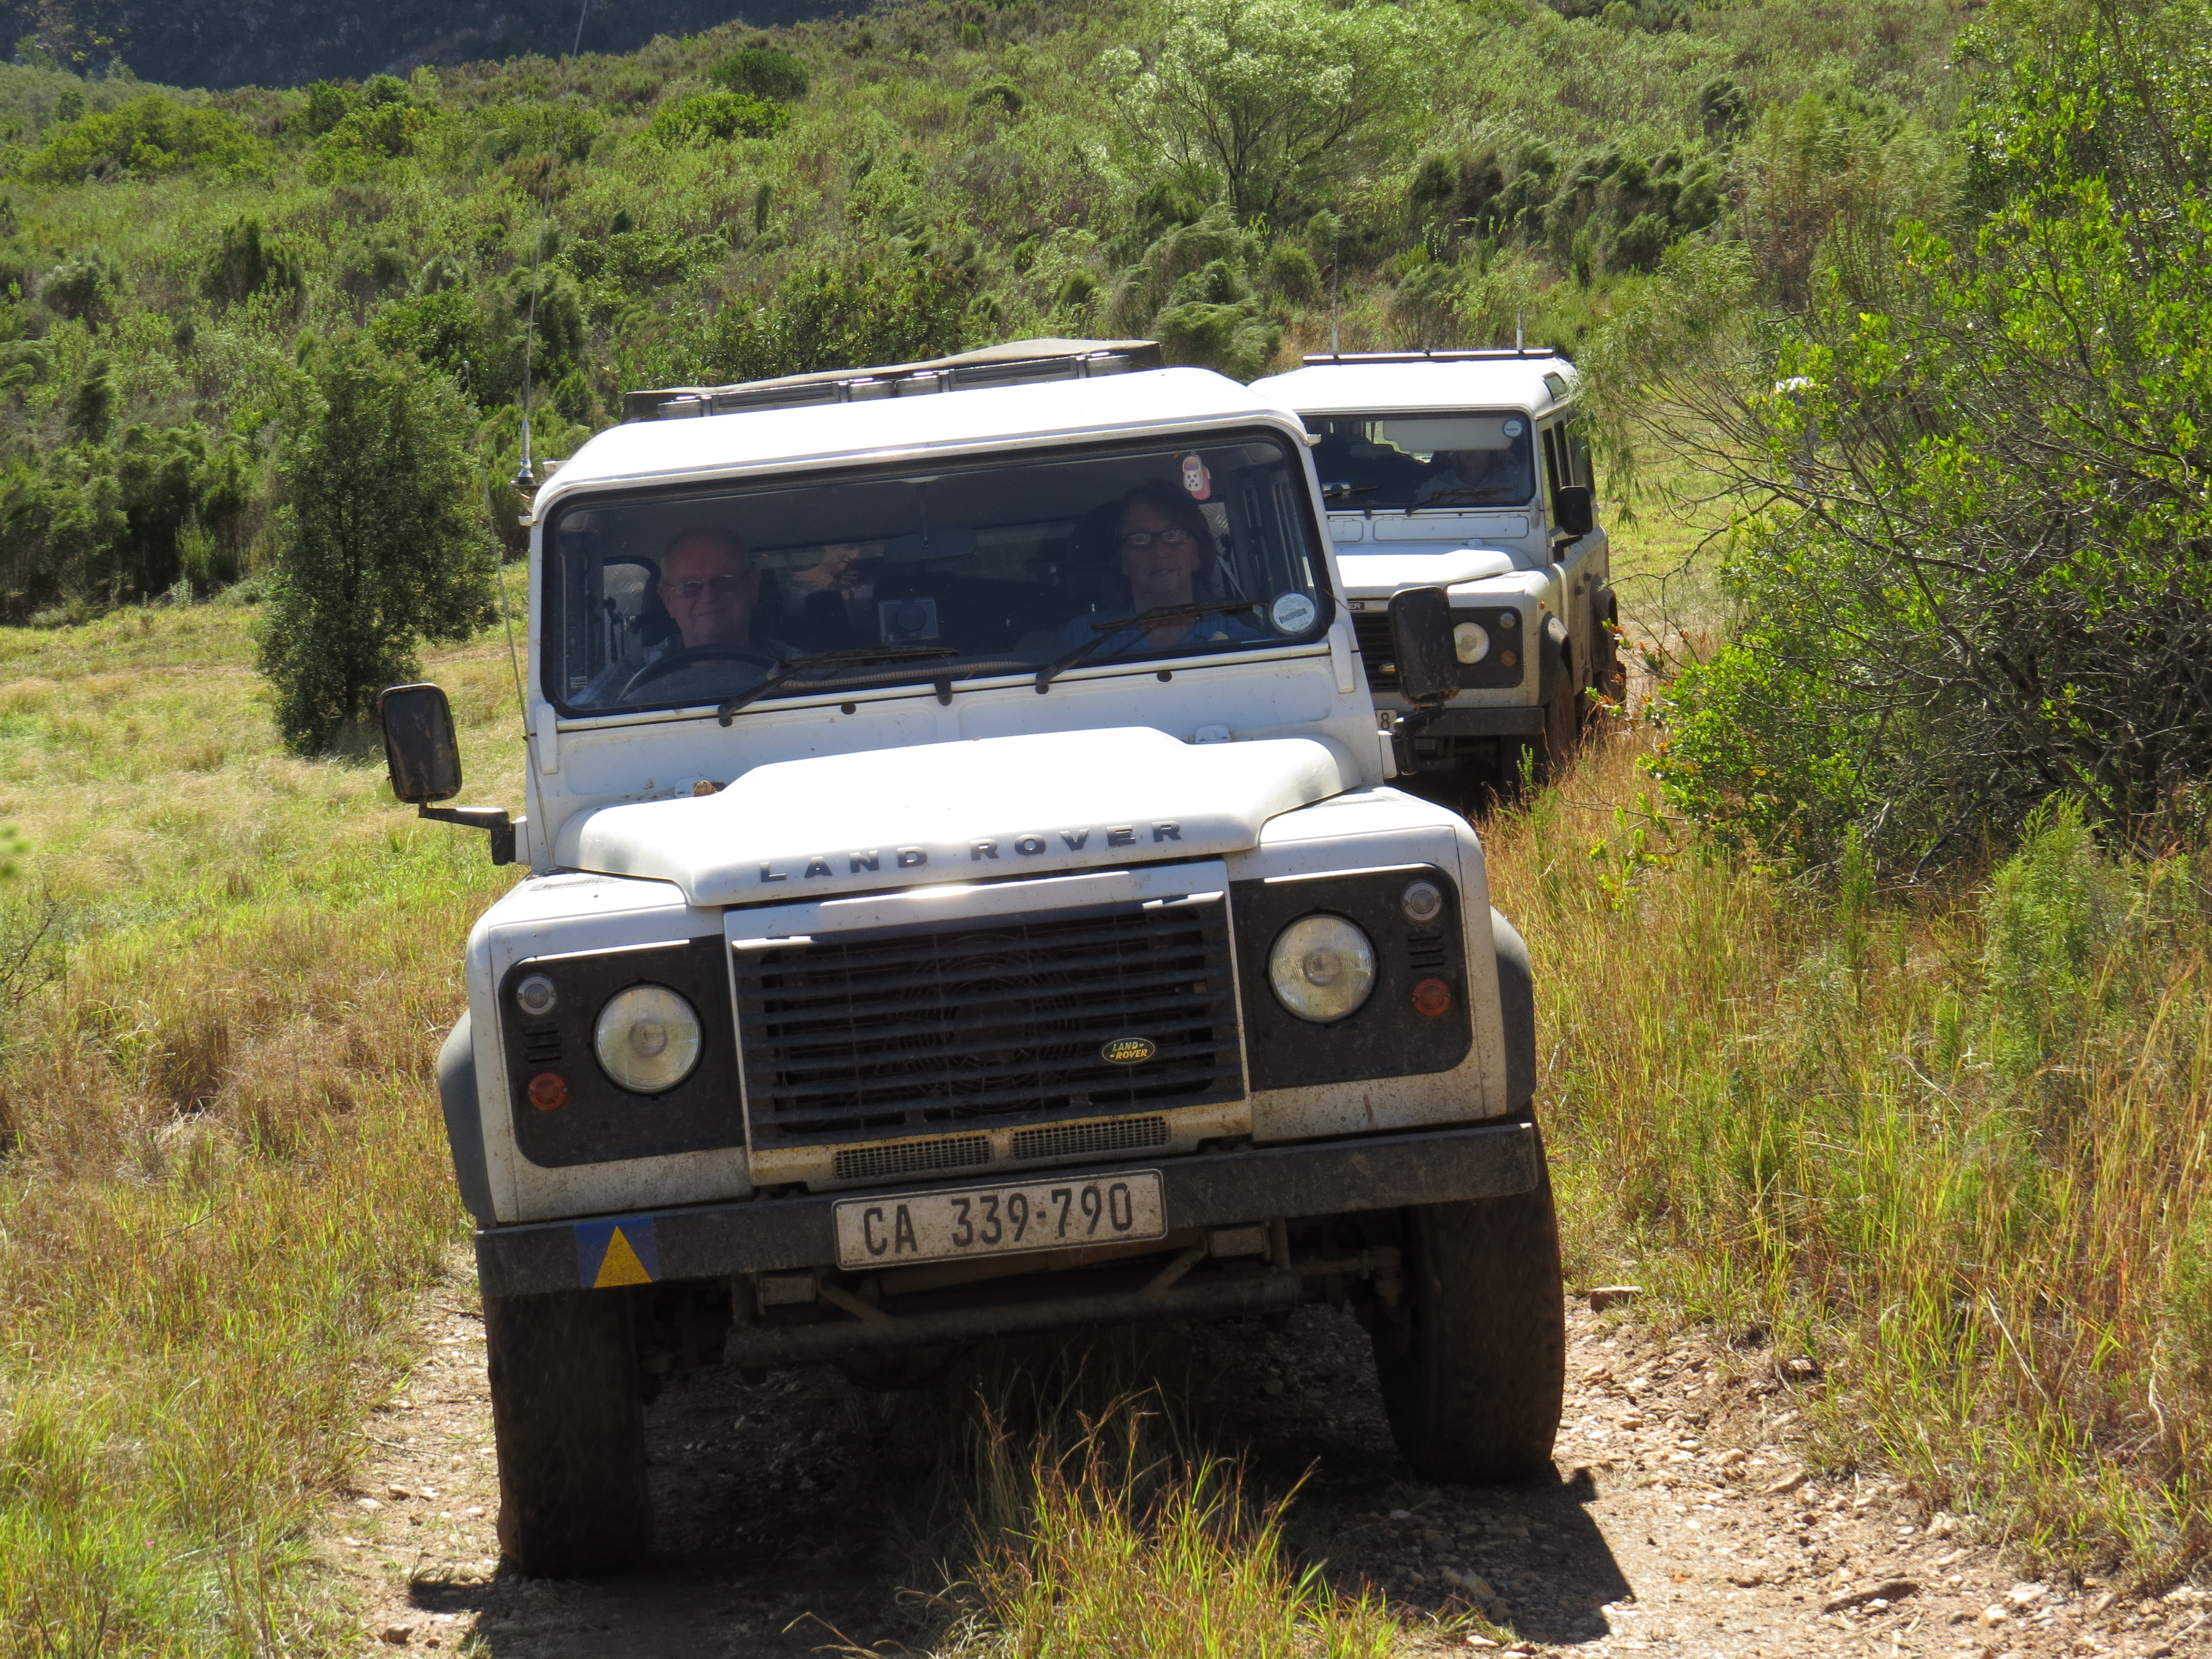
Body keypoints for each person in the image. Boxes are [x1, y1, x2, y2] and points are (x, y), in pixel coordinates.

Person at [578, 526, 786, 705]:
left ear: (753, 586)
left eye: (724, 581)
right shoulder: (628, 674)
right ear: (667, 599)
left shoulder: (797, 666)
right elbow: (574, 727)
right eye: (690, 587)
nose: (708, 597)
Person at [1050, 481, 1258, 659]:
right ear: (1122, 561)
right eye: (1139, 539)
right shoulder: (1083, 638)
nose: (1159, 551)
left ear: (1198, 554)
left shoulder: (1247, 645)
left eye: (1173, 535)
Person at [1412, 442, 1530, 506]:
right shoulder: (1437, 484)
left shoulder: (1514, 479)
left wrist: (1499, 503)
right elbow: (1420, 514)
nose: (1468, 450)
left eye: (1476, 444)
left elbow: (1528, 509)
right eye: (1463, 445)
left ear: (1491, 449)